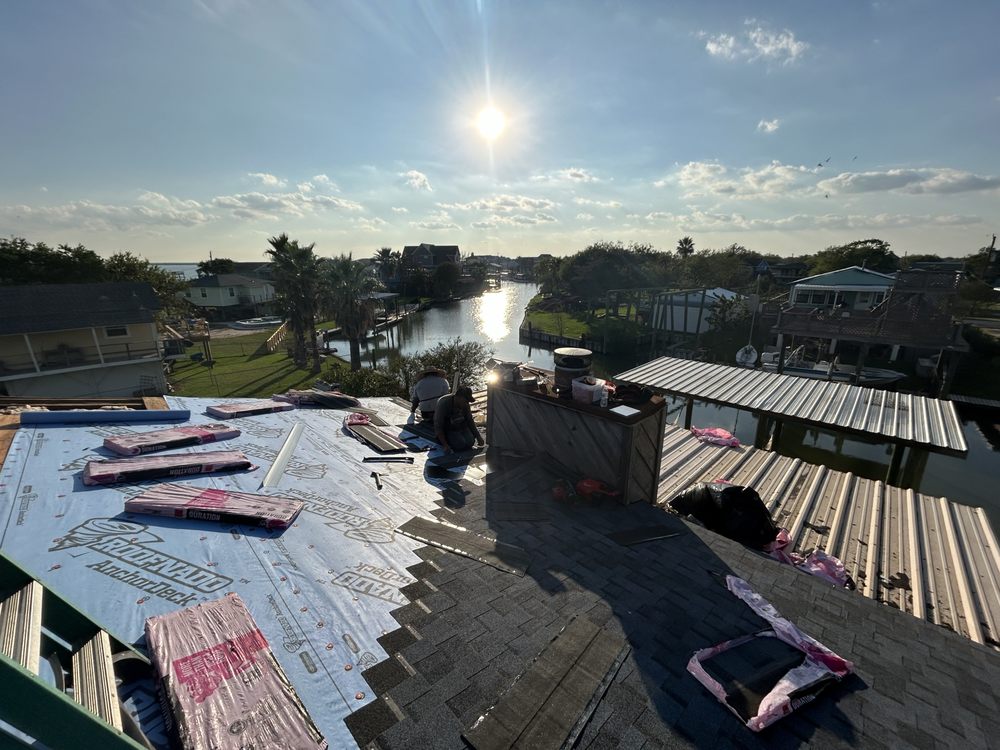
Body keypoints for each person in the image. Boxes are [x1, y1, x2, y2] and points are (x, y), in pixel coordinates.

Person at [434, 386, 484, 453]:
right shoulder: (443, 404)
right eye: (465, 401)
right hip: (448, 428)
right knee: (460, 444)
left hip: (461, 425)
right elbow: (438, 425)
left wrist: (478, 437)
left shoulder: (465, 404)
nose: (467, 403)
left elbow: (470, 420)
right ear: (458, 397)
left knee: (470, 442)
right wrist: (445, 445)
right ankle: (445, 440)